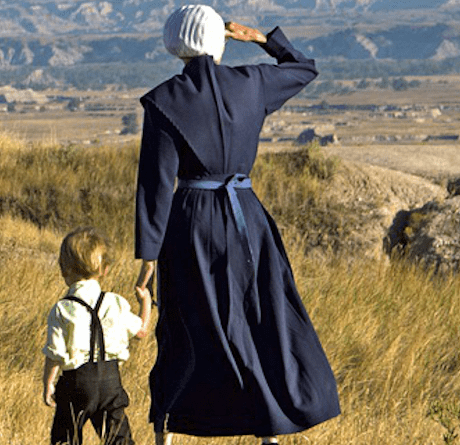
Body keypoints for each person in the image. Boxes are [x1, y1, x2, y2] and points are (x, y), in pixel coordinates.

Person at [134, 5, 340, 445]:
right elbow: (304, 67)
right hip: (248, 217)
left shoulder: (163, 100)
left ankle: (165, 433)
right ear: (219, 39)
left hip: (190, 221)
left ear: (174, 43)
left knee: (187, 324)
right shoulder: (253, 83)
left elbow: (154, 187)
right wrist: (263, 39)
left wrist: (148, 258)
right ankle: (271, 432)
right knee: (261, 318)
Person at [43, 227, 152, 445]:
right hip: (111, 383)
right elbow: (141, 331)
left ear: (64, 269)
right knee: (119, 439)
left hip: (76, 383)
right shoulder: (115, 302)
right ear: (105, 269)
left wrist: (48, 383)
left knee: (66, 437)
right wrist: (146, 302)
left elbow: (55, 354)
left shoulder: (62, 309)